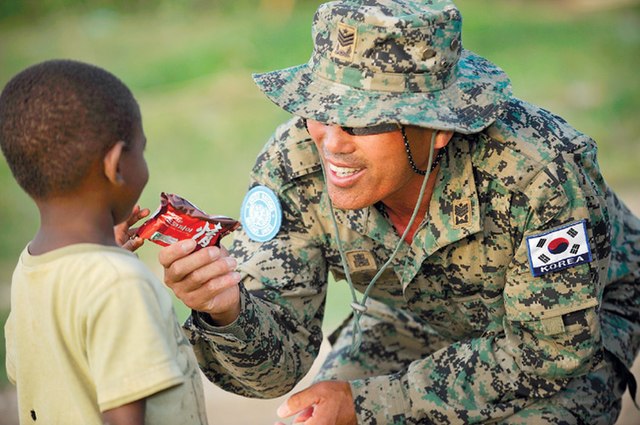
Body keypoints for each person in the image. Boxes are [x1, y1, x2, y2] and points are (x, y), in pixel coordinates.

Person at [159, 0, 640, 423]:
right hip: (413, 316)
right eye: (319, 109)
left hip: (576, 319)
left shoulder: (539, 175)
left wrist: (372, 405)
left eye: (360, 120)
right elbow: (274, 372)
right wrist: (227, 311)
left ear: (439, 127)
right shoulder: (296, 161)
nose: (331, 142)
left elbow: (550, 350)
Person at [0, 59, 208, 425]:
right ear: (116, 165)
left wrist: (106, 261)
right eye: (141, 149)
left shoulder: (29, 268)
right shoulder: (119, 284)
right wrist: (111, 274)